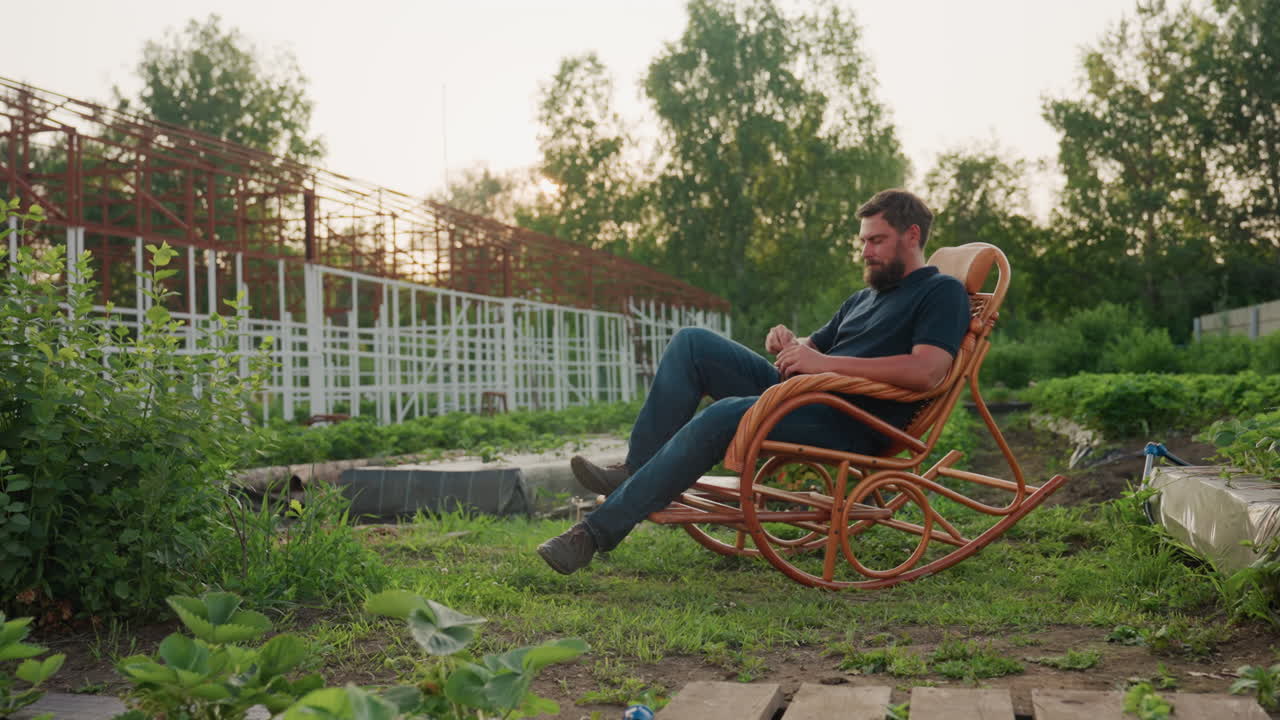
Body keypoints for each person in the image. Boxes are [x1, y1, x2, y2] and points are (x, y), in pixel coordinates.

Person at [536, 188, 971, 575]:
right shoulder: (864, 298)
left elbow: (927, 371)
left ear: (912, 236)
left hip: (852, 421)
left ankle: (591, 535)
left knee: (725, 412)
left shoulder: (941, 293)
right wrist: (789, 343)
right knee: (692, 343)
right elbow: (814, 347)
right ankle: (635, 469)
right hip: (806, 397)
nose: (865, 252)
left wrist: (824, 366)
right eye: (863, 241)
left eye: (876, 241)